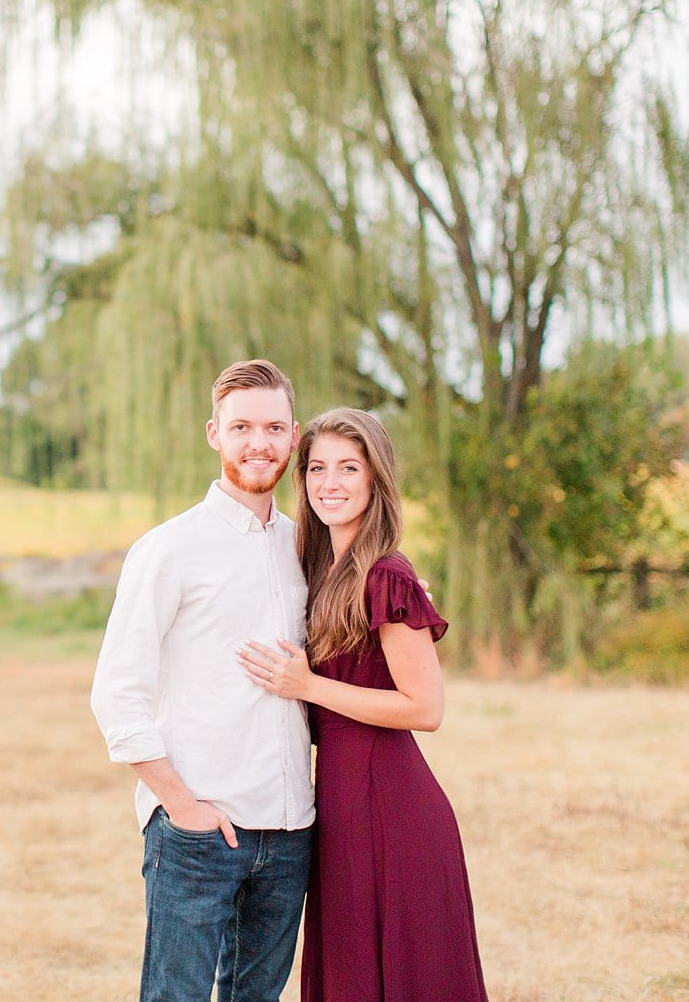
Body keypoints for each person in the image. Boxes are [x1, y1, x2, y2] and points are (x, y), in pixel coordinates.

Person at [237, 408, 489, 1002]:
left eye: (349, 467)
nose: (331, 483)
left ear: (376, 480)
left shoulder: (387, 576)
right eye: (318, 468)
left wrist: (309, 686)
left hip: (392, 809)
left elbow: (426, 708)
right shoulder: (320, 573)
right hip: (340, 807)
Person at [91, 359, 316, 1002]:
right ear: (214, 433)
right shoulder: (168, 549)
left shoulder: (304, 549)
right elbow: (116, 692)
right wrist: (181, 805)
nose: (259, 443)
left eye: (274, 427)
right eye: (241, 426)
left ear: (293, 437)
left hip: (291, 827)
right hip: (198, 830)